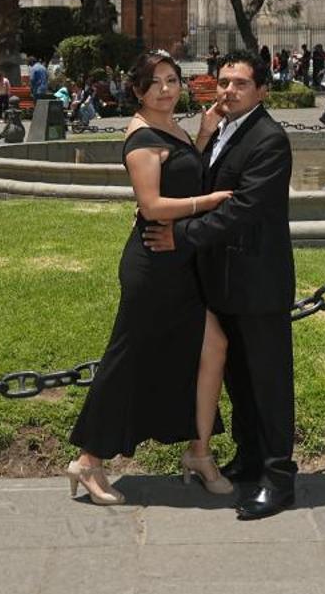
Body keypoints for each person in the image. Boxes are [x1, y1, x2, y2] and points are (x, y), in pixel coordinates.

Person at [67, 52, 235, 506]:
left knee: (212, 345)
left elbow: (184, 174)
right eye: (156, 82)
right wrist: (212, 201)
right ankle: (88, 460)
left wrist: (201, 135)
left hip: (176, 257)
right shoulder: (141, 137)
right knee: (128, 357)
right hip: (152, 262)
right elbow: (152, 206)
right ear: (137, 91)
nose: (166, 88)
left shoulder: (171, 127)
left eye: (173, 80)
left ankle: (199, 451)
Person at [142, 50, 298, 519]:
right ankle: (251, 457)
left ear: (263, 91)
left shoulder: (269, 139)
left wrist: (180, 236)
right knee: (241, 377)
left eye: (240, 84)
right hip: (224, 278)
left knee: (269, 381)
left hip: (257, 279)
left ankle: (278, 477)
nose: (228, 90)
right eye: (224, 82)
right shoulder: (226, 130)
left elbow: (242, 209)